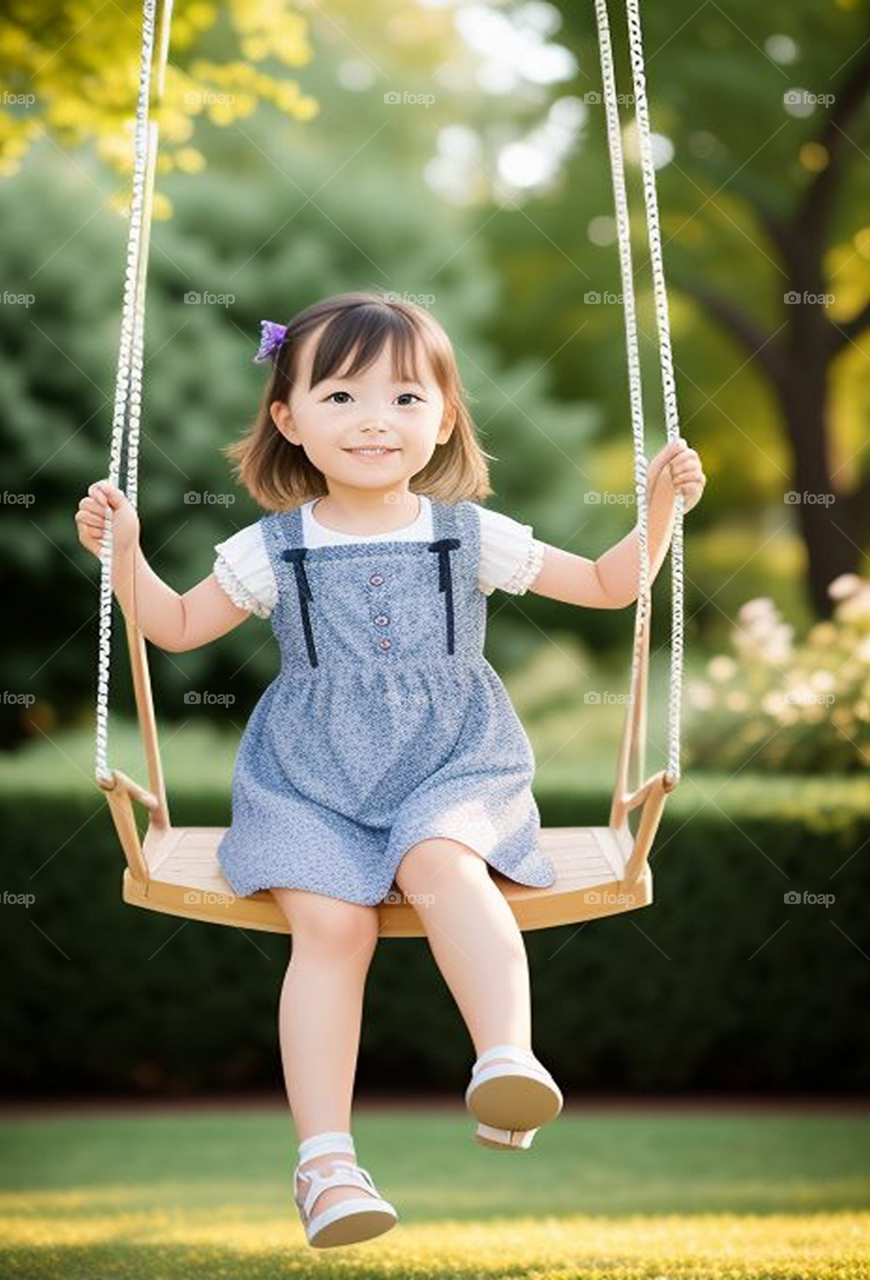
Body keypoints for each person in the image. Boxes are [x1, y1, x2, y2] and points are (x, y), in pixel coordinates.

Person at [76, 291, 706, 1250]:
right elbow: (174, 628)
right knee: (330, 928)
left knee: (443, 862)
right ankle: (326, 1166)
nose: (375, 419)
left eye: (406, 397)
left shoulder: (469, 531)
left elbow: (611, 586)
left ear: (445, 417)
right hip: (307, 779)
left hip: (454, 763)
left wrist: (658, 510)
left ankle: (506, 1061)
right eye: (341, 396)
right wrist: (123, 558)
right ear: (288, 420)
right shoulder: (270, 546)